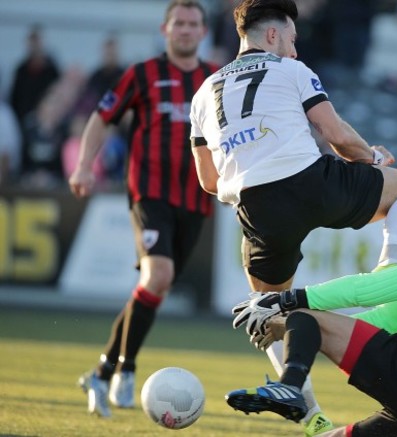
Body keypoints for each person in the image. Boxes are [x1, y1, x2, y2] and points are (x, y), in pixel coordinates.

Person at [189, 0, 397, 434]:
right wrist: (372, 157)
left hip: (256, 206)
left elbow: (207, 180)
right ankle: (392, 277)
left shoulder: (204, 93)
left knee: (264, 311)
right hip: (310, 182)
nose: (297, 51)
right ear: (274, 35)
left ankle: (310, 414)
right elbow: (337, 137)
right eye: (294, 40)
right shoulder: (292, 71)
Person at [227, 173, 397, 437]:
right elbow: (391, 317)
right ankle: (291, 390)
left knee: (304, 312)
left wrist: (290, 299)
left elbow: (372, 289)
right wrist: (305, 332)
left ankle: (291, 388)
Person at [68, 0, 219, 418]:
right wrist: (83, 165)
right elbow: (101, 117)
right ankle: (127, 368)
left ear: (203, 32)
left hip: (196, 198)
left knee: (156, 287)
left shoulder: (215, 80)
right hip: (149, 192)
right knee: (160, 274)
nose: (185, 30)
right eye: (179, 24)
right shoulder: (142, 74)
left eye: (192, 24)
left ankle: (102, 370)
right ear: (165, 29)